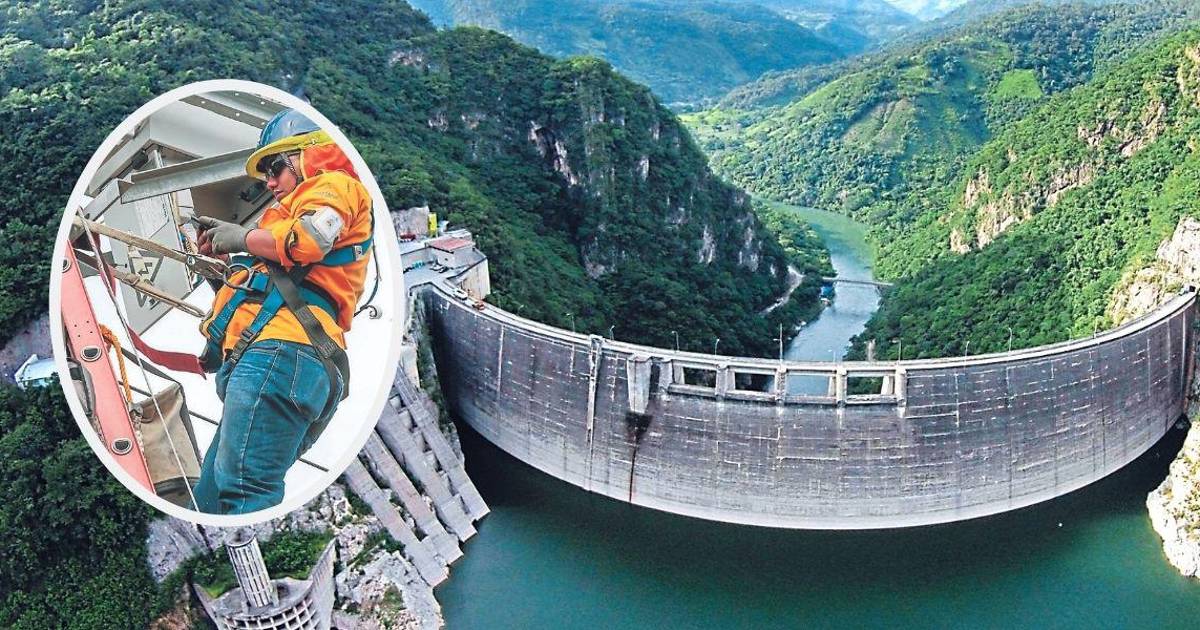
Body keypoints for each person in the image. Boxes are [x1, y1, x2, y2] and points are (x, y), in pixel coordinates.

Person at [191, 109, 373, 515]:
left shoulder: (335, 185)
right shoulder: (288, 221)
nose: (270, 183)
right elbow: (272, 286)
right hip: (279, 359)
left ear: (309, 155)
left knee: (242, 488)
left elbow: (311, 238)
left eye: (274, 168)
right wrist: (226, 268)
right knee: (212, 493)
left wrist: (242, 238)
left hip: (282, 352)